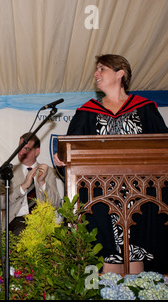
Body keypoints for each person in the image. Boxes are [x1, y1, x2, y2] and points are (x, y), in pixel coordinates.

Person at [54, 54, 168, 274]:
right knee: (108, 251)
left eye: (102, 69)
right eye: (96, 70)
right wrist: (63, 161)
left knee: (136, 251)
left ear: (120, 73)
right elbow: (72, 152)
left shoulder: (145, 109)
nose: (96, 74)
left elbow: (162, 148)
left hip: (140, 195)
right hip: (101, 197)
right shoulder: (87, 113)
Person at [0, 132, 61, 236]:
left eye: (26, 148)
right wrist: (23, 187)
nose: (21, 152)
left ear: (37, 151)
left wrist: (42, 182)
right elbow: (1, 203)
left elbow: (55, 203)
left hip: (42, 222)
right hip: (16, 221)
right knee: (22, 229)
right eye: (20, 148)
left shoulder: (49, 172)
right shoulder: (8, 172)